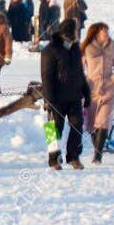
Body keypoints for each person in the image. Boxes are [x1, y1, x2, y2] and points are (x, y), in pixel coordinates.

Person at [40, 18, 88, 169]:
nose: (77, 32)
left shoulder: (75, 49)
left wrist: (87, 92)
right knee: (53, 130)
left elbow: (80, 73)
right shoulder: (50, 50)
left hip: (74, 97)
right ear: (69, 32)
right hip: (56, 98)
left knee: (77, 127)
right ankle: (53, 159)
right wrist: (48, 99)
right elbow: (46, 76)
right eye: (75, 29)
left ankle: (73, 157)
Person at [81, 22, 114, 164]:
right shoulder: (87, 48)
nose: (107, 34)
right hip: (92, 90)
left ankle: (98, 156)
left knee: (103, 122)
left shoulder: (112, 47)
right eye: (104, 31)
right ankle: (97, 149)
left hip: (109, 89)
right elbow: (79, 68)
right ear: (96, 33)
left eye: (107, 31)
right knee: (92, 124)